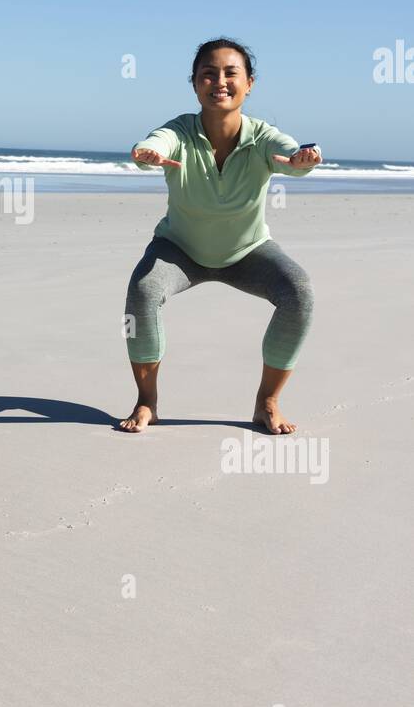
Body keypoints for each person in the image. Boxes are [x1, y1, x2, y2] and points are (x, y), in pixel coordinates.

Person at [121, 38, 320, 436]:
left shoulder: (263, 136)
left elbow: (292, 156)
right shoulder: (179, 130)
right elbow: (154, 145)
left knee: (299, 291)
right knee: (142, 291)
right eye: (208, 74)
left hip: (247, 252)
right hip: (179, 250)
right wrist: (146, 153)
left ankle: (267, 403)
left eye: (231, 73)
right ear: (195, 84)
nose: (220, 81)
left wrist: (303, 158)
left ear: (249, 84)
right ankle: (147, 402)